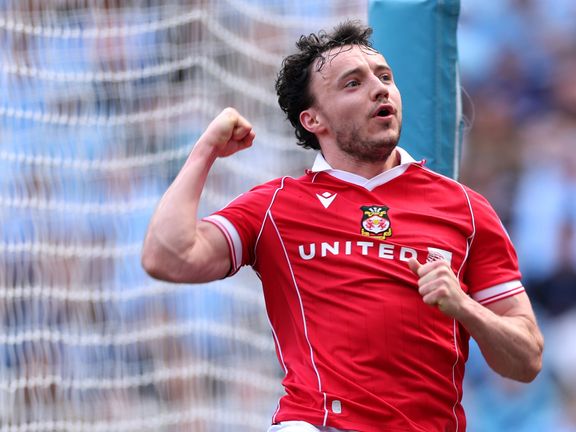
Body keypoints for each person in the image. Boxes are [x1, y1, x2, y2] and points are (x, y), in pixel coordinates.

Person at [141, 21, 543, 432]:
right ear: (313, 119)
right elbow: (168, 257)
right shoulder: (276, 205)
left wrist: (464, 306)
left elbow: (527, 359)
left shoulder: (466, 208)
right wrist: (205, 150)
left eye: (385, 77)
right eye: (353, 83)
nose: (380, 89)